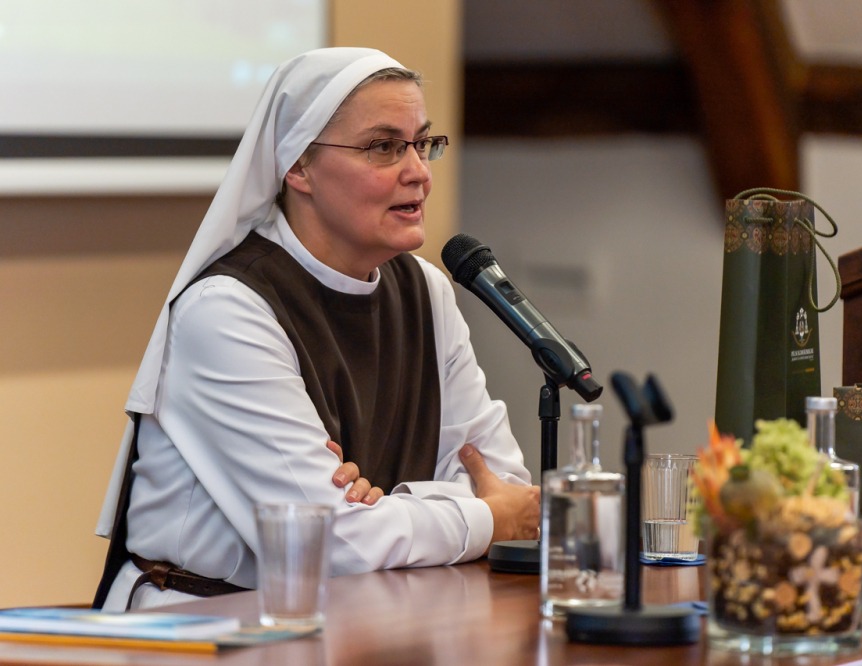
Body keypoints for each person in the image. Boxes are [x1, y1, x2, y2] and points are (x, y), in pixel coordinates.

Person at [94, 47, 540, 611]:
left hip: (364, 615)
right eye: (384, 147)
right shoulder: (226, 310)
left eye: (422, 143)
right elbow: (327, 542)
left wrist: (388, 507)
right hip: (204, 622)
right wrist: (478, 519)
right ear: (298, 166)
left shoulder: (427, 291)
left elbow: (501, 481)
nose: (419, 173)